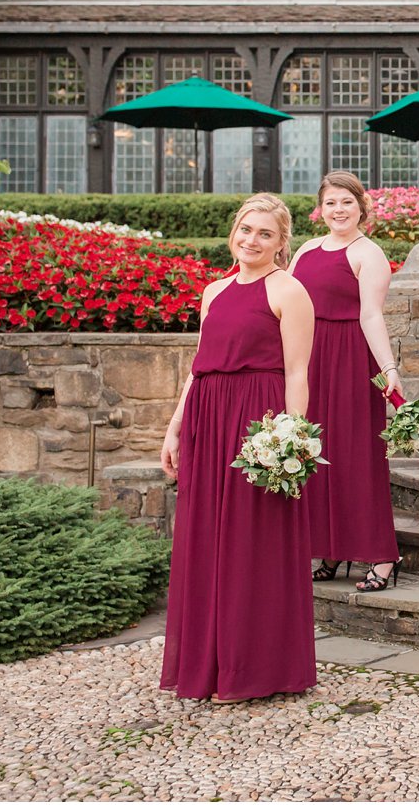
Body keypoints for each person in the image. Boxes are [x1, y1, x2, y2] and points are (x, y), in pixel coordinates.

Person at [159, 194, 317, 702]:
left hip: (257, 421)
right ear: (234, 231)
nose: (251, 240)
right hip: (208, 418)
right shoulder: (214, 291)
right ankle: (207, 665)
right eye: (246, 229)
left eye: (264, 234)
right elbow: (198, 365)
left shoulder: (289, 291)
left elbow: (297, 372)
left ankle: (256, 669)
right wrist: (175, 427)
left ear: (280, 242)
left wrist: (291, 437)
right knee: (206, 536)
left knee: (253, 541)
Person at [290, 171, 402, 592]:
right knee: (317, 454)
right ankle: (331, 548)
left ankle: (382, 555)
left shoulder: (367, 253)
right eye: (331, 202)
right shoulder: (306, 249)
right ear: (321, 208)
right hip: (311, 359)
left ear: (361, 206)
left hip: (351, 360)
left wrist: (388, 371)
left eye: (346, 202)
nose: (338, 210)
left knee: (358, 457)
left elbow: (371, 315)